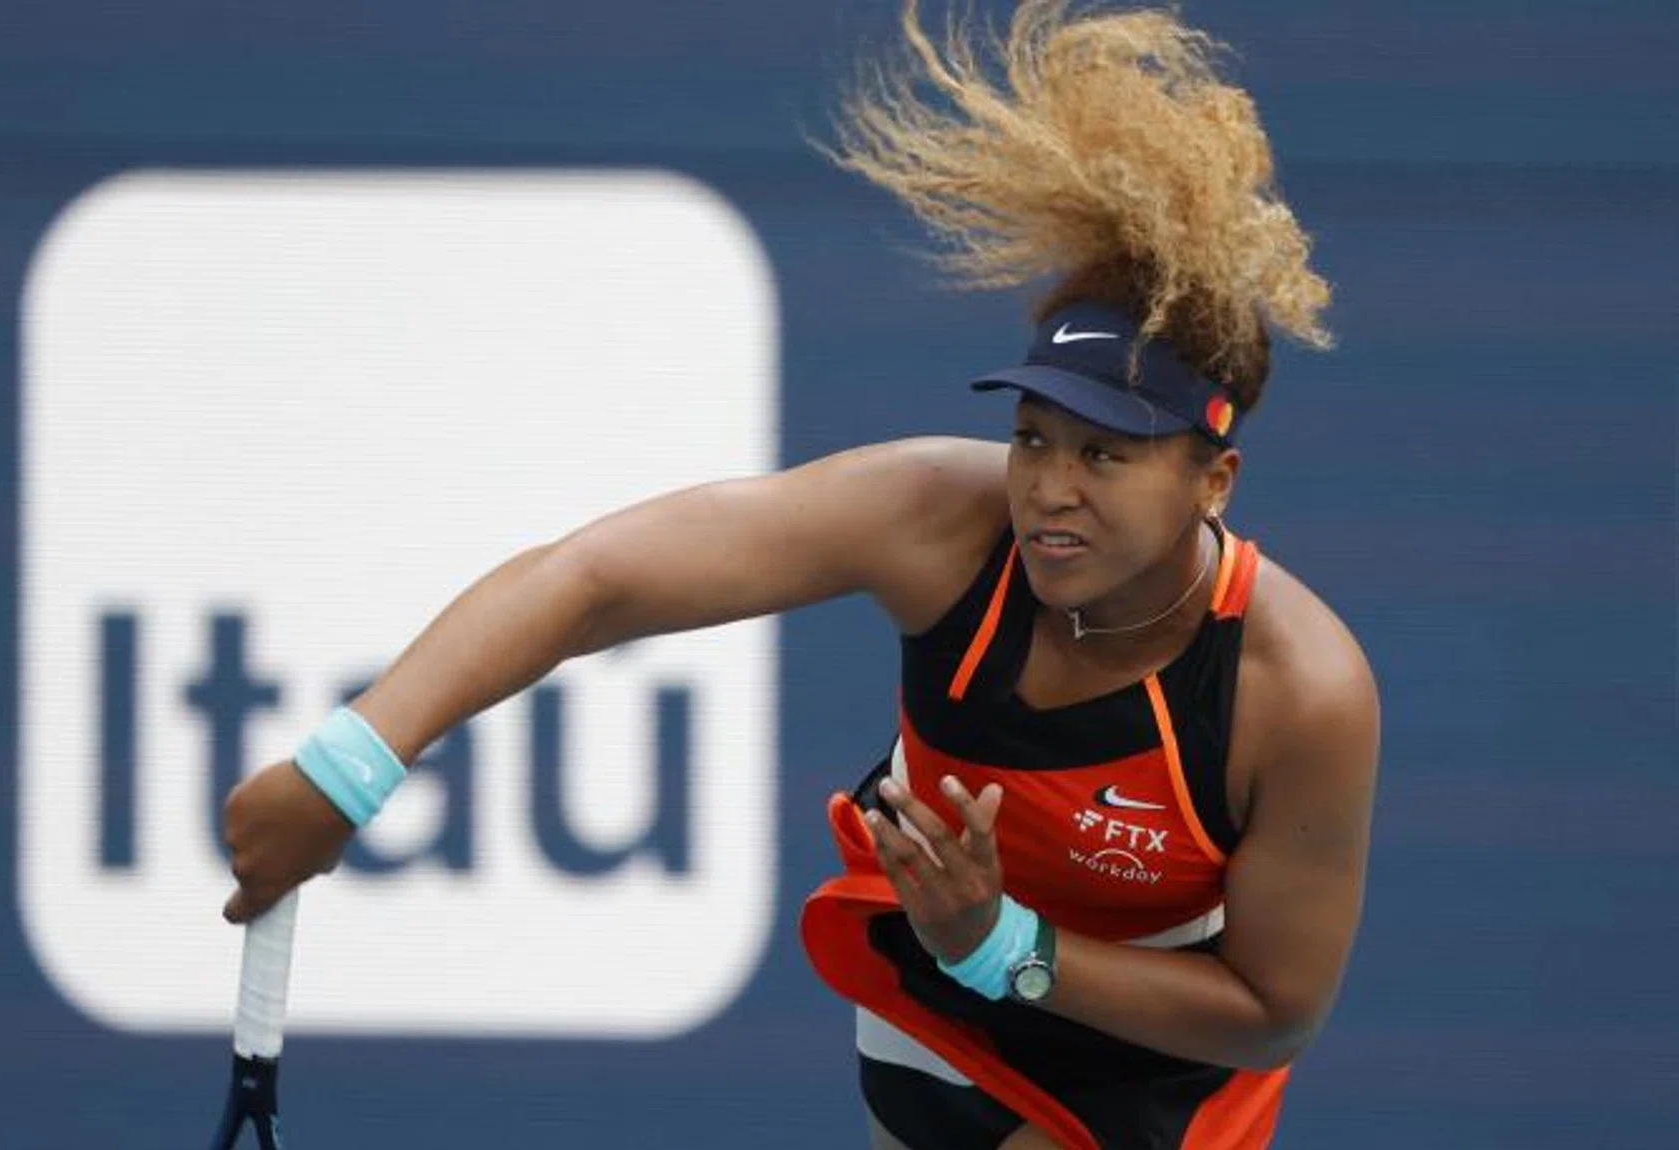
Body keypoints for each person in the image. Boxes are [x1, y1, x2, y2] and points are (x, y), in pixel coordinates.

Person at [219, 1, 1380, 1147]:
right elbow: (598, 579)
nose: (1050, 487)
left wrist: (1005, 946)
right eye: (1033, 438)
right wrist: (352, 763)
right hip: (934, 997)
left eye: (1105, 455)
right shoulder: (939, 519)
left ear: (1214, 480)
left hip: (1152, 1047)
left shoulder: (1300, 692)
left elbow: (1274, 1010)